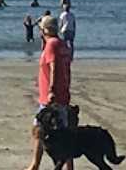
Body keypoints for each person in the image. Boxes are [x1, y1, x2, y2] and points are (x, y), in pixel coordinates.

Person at [24, 16, 73, 170]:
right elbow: (67, 69)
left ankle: (34, 165)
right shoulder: (62, 44)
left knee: (39, 128)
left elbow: (54, 67)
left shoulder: (52, 45)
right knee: (64, 134)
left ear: (45, 29)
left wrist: (52, 90)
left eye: (41, 28)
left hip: (51, 99)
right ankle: (68, 167)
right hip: (62, 96)